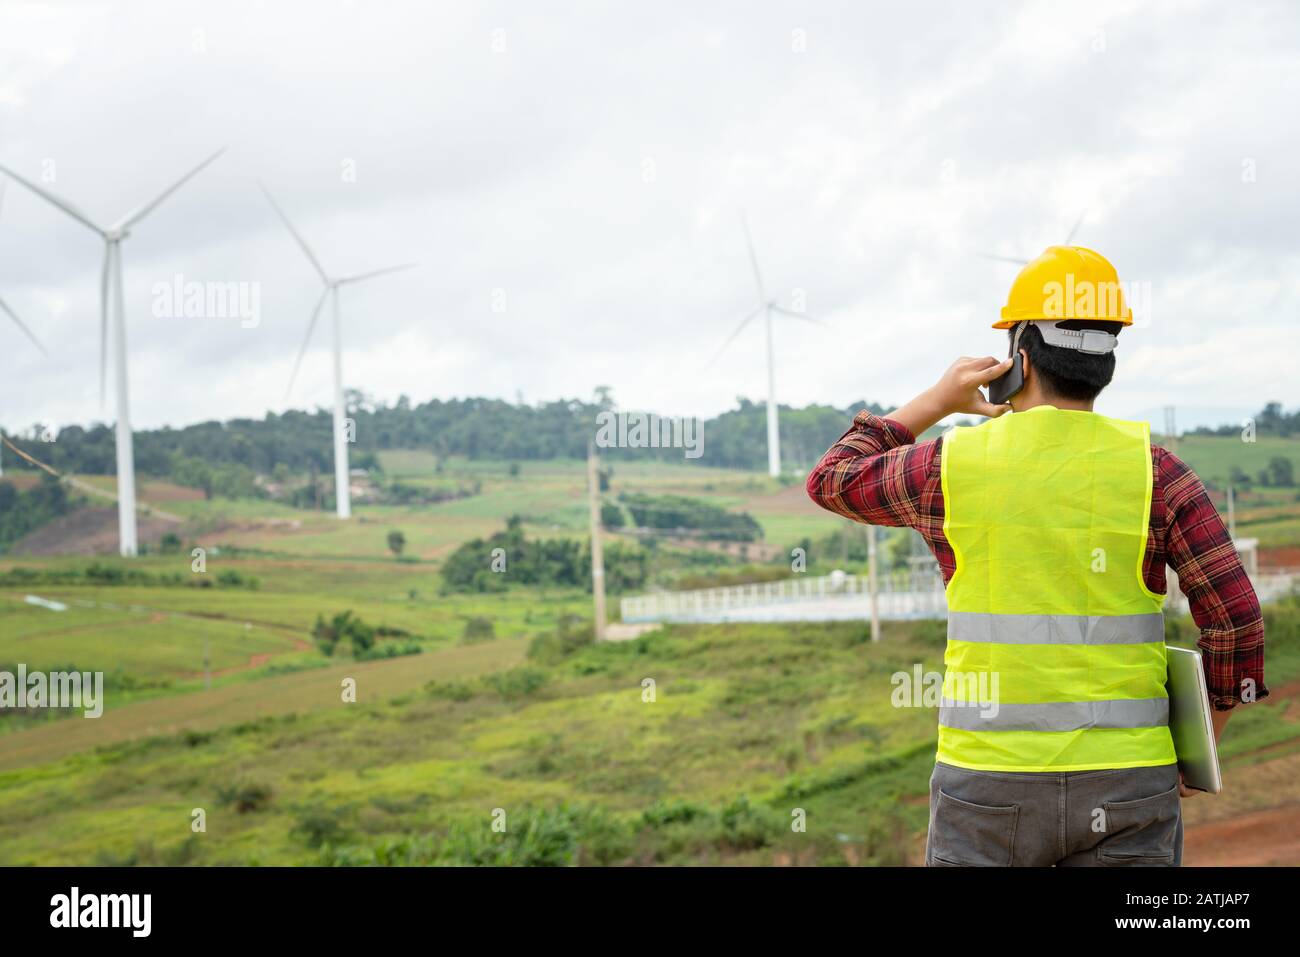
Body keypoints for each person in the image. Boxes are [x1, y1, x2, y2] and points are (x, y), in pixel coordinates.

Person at [805, 246, 1266, 866]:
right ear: (1107, 361)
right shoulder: (1157, 473)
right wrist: (1204, 742)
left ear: (1018, 357)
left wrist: (937, 401)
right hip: (1130, 787)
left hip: (987, 792)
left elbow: (833, 478)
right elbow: (1236, 621)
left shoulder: (952, 466)